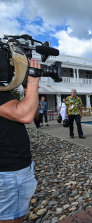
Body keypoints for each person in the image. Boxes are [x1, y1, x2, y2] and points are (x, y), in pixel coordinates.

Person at [0, 59, 40, 222]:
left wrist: (27, 89)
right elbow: (26, 115)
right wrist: (32, 80)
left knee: (17, 214)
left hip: (16, 169)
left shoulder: (4, 93)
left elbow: (32, 114)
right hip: (9, 172)